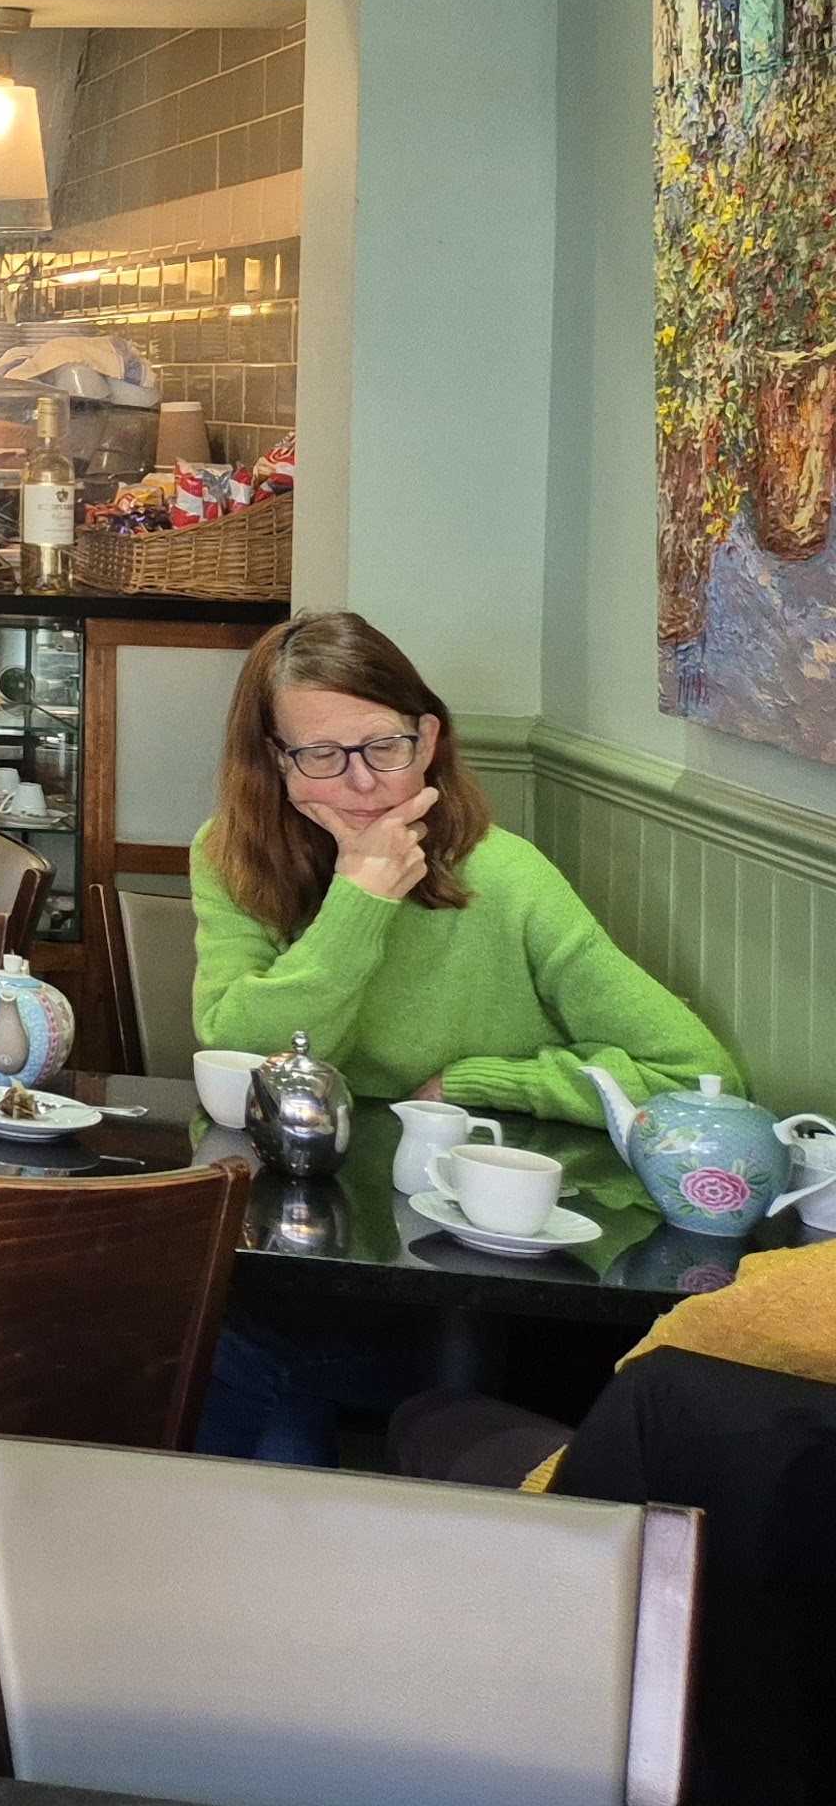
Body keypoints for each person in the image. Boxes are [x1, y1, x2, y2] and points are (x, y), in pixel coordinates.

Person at [188, 608, 742, 1459]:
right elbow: (244, 1053)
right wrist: (359, 902)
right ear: (275, 760)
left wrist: (486, 1083)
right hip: (308, 1235)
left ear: (430, 739)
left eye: (386, 747)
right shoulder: (232, 855)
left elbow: (698, 1075)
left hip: (483, 1269)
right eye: (322, 755)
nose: (364, 783)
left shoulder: (504, 875)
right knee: (197, 1321)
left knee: (247, 1358)